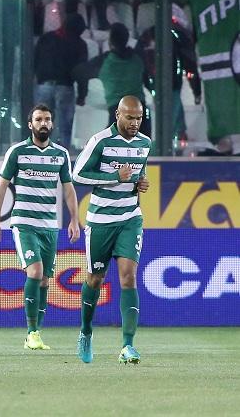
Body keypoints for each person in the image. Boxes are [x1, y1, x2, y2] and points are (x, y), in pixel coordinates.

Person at [0, 104, 81, 350]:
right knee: (36, 272)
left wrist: (74, 219)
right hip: (24, 223)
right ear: (30, 124)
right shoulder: (18, 151)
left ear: (52, 124)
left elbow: (68, 189)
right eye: (38, 119)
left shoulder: (60, 154)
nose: (43, 123)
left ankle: (35, 333)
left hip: (50, 225)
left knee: (45, 281)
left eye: (47, 119)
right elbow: (1, 186)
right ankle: (31, 332)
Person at [72, 95, 151, 365]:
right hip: (101, 220)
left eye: (139, 118)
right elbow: (77, 174)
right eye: (130, 117)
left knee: (128, 277)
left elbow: (139, 173)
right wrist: (113, 177)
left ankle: (128, 345)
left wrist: (140, 183)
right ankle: (86, 332)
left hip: (130, 218)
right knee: (95, 278)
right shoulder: (100, 141)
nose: (135, 123)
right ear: (118, 115)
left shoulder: (144, 143)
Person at [73, 23, 152, 137]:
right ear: (127, 39)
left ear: (110, 42)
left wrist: (82, 96)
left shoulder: (104, 61)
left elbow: (79, 72)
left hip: (117, 109)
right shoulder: (137, 58)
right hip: (139, 108)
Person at [33, 13, 88, 150]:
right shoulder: (80, 44)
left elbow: (34, 61)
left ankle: (40, 150)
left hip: (44, 85)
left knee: (42, 123)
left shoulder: (46, 38)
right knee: (65, 126)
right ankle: (63, 153)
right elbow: (81, 72)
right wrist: (82, 95)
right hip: (65, 86)